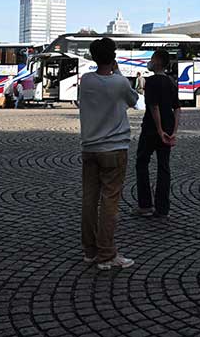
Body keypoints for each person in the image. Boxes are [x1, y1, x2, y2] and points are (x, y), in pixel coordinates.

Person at [78, 37, 139, 269]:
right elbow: (134, 100)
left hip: (89, 148)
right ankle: (107, 253)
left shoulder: (86, 80)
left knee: (89, 200)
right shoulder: (120, 83)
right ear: (113, 58)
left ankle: (90, 250)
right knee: (110, 201)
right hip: (114, 148)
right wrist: (119, 72)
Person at [133, 49, 179, 219]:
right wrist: (173, 132)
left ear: (158, 62)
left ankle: (145, 205)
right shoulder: (171, 82)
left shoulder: (151, 81)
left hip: (152, 129)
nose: (149, 62)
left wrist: (159, 130)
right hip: (168, 129)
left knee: (142, 162)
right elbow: (178, 108)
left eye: (152, 59)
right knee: (164, 167)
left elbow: (154, 107)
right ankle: (162, 208)